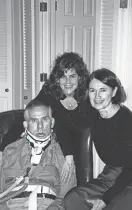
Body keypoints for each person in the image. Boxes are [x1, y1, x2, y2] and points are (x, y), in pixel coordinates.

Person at [63, 68, 132, 210]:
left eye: (103, 90)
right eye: (92, 90)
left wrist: (106, 199)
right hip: (111, 175)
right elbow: (67, 124)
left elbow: (131, 169)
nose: (97, 96)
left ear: (114, 92)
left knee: (112, 206)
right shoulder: (94, 113)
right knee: (73, 199)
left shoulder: (127, 123)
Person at [0, 99, 76, 210]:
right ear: (26, 124)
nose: (40, 126)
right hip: (11, 204)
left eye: (44, 119)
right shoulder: (9, 151)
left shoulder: (62, 154)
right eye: (34, 121)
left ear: (52, 122)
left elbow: (66, 196)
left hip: (46, 205)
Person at [35, 52, 94, 184]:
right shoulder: (49, 93)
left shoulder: (87, 98)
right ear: (57, 79)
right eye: (63, 76)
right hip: (51, 152)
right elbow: (30, 112)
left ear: (80, 78)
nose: (68, 82)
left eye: (72, 76)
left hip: (77, 155)